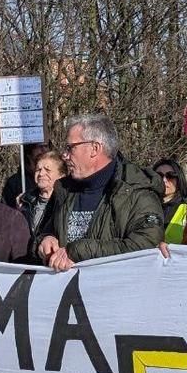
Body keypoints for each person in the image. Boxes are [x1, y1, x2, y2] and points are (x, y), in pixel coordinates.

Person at [35, 114, 164, 270]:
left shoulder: (137, 191)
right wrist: (44, 241)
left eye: (70, 148)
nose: (64, 155)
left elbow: (146, 247)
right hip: (67, 291)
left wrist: (78, 251)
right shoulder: (63, 189)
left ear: (94, 148)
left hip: (115, 289)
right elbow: (41, 233)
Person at [21, 150, 66, 235]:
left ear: (61, 176)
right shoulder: (25, 201)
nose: (41, 173)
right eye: (38, 169)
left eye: (47, 170)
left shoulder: (66, 202)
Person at [153, 158, 187, 244]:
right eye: (159, 175)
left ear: (179, 179)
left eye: (170, 175)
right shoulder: (142, 205)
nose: (164, 180)